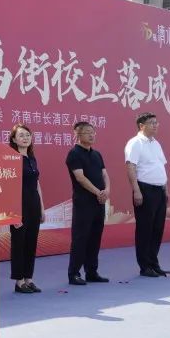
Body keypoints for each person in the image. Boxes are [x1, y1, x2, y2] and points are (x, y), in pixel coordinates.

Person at [125, 112, 170, 277]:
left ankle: (154, 263)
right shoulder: (135, 143)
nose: (155, 125)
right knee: (145, 228)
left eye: (156, 122)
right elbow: (131, 167)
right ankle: (145, 266)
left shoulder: (156, 143)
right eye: (152, 122)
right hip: (145, 189)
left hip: (159, 190)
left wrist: (166, 188)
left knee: (158, 228)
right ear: (141, 125)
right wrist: (136, 190)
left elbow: (161, 166)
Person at [66, 121, 110, 285]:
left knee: (95, 237)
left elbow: (105, 175)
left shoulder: (97, 154)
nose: (91, 135)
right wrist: (98, 192)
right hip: (84, 202)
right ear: (77, 135)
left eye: (93, 132)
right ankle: (74, 273)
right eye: (87, 132)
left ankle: (91, 272)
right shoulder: (74, 154)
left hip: (99, 202)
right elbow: (80, 178)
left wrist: (107, 190)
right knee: (80, 237)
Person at [10, 124, 46, 294]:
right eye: (21, 135)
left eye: (27, 135)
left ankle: (29, 279)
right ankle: (19, 282)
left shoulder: (32, 158)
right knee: (19, 243)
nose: (25, 138)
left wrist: (42, 208)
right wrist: (13, 213)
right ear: (14, 139)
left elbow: (37, 184)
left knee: (31, 242)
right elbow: (8, 187)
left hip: (34, 204)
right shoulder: (11, 159)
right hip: (19, 206)